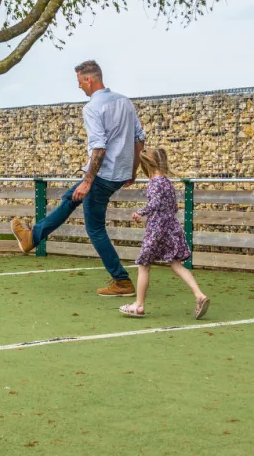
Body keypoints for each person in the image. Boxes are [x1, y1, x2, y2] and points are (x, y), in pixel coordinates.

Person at [11, 59, 143, 296]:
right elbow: (139, 139)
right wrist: (132, 171)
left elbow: (99, 148)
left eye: (80, 82)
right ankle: (32, 237)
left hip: (102, 174)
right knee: (70, 198)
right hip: (117, 174)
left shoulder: (92, 107)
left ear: (89, 79)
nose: (79, 87)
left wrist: (88, 180)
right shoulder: (125, 102)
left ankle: (122, 281)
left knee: (95, 229)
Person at [119, 148, 209, 319]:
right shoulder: (167, 182)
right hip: (171, 226)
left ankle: (138, 305)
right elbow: (173, 207)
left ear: (147, 164)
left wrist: (140, 212)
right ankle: (199, 295)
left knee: (144, 265)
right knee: (175, 263)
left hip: (156, 229)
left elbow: (155, 202)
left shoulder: (155, 182)